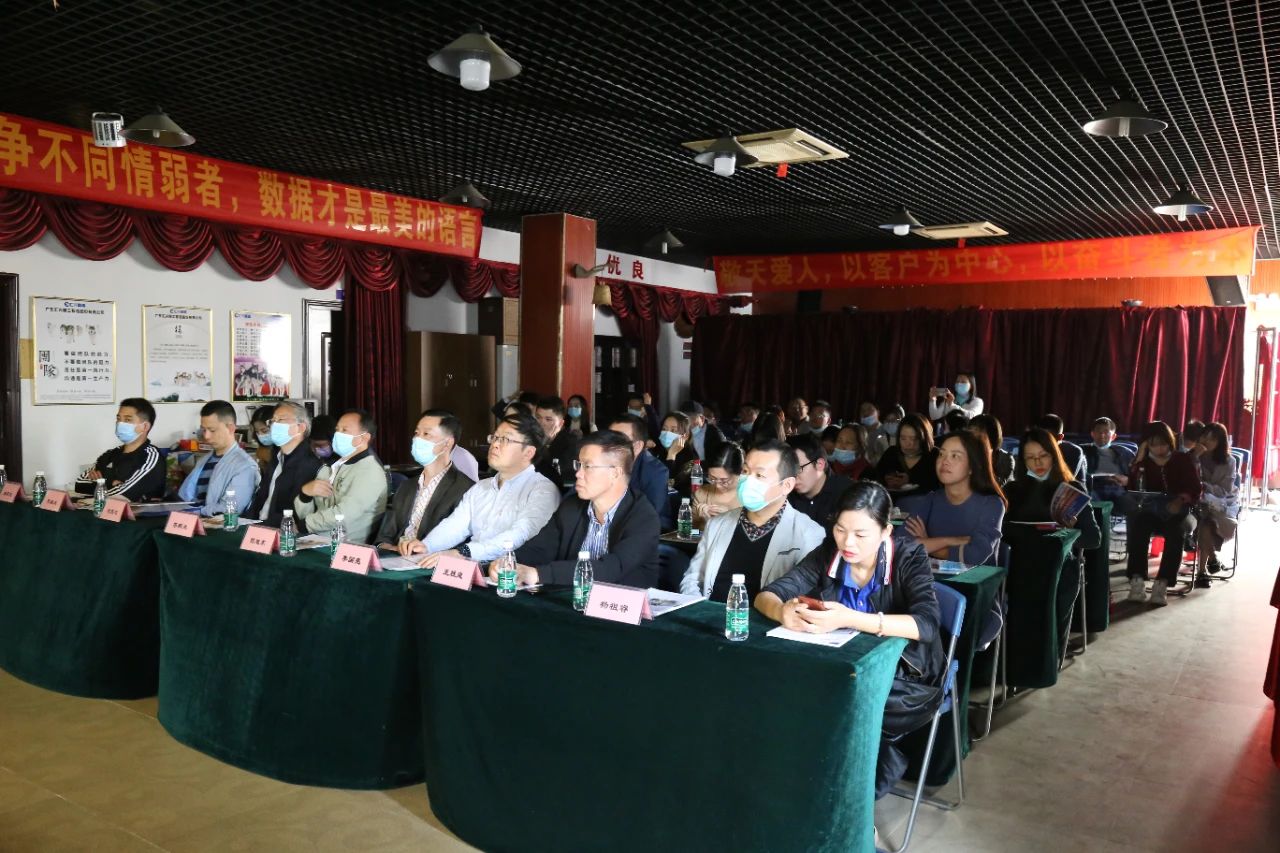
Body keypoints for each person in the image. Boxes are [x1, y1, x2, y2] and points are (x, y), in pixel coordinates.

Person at [755, 482, 944, 799]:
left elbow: (926, 624)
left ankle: (852, 794)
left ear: (885, 532)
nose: (847, 542)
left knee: (831, 702)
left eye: (860, 534)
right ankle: (800, 784)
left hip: (907, 677)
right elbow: (769, 595)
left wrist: (849, 619)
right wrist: (781, 611)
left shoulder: (909, 556)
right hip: (842, 667)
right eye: (840, 530)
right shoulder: (830, 552)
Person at [510, 430, 659, 588]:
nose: (578, 474)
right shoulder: (572, 506)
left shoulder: (643, 517)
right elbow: (541, 548)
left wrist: (539, 574)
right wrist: (510, 562)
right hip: (571, 597)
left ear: (615, 473)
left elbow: (612, 568)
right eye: (579, 465)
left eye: (587, 466)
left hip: (621, 600)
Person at [680, 440, 825, 601]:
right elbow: (693, 578)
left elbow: (803, 598)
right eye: (745, 471)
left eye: (759, 475)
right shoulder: (717, 524)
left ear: (787, 485)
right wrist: (699, 608)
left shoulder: (809, 534)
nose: (748, 480)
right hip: (709, 612)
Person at [415, 412, 560, 566]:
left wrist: (465, 552)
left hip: (510, 571)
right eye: (495, 437)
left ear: (528, 452)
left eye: (505, 440)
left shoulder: (542, 490)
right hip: (472, 565)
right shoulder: (481, 487)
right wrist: (426, 546)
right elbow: (455, 525)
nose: (495, 444)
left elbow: (518, 535)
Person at [1003, 428, 1101, 654]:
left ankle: (1049, 655)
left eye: (1043, 455)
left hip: (1057, 566)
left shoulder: (1071, 489)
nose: (1037, 462)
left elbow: (1093, 538)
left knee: (1056, 584)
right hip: (1020, 564)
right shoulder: (1013, 490)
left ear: (1054, 455)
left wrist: (1071, 530)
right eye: (1030, 457)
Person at [1124, 421, 1202, 607]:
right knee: (1138, 526)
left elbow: (1195, 489)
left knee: (1176, 532)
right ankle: (1137, 580)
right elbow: (1133, 488)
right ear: (1146, 444)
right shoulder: (1143, 462)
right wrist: (1138, 459)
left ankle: (1162, 583)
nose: (1159, 448)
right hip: (1152, 512)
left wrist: (1180, 499)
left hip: (1181, 512)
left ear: (1170, 442)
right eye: (1153, 444)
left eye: (1163, 443)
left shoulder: (1182, 459)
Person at [900, 431, 1006, 566]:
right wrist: (950, 541)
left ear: (973, 466)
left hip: (975, 579)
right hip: (931, 577)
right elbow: (899, 545)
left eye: (955, 456)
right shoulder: (931, 499)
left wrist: (928, 543)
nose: (944, 461)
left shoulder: (991, 504)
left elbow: (974, 556)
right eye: (941, 454)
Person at [375, 409, 472, 553]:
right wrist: (392, 548)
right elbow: (383, 538)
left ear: (447, 443)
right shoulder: (406, 485)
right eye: (416, 433)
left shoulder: (465, 489)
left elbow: (459, 544)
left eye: (426, 434)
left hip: (430, 561)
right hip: (395, 558)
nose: (417, 439)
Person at [293, 408, 388, 544]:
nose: (338, 434)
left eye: (344, 430)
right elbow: (309, 515)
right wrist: (305, 495)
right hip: (317, 538)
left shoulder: (370, 471)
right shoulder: (331, 467)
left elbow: (345, 514)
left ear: (364, 438)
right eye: (337, 430)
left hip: (347, 545)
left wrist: (305, 525)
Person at [176, 400, 260, 517]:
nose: (206, 436)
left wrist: (197, 511)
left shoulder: (244, 466)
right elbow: (186, 497)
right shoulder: (204, 460)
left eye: (212, 430)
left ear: (230, 428)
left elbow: (230, 510)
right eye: (203, 430)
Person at [246, 400, 323, 526]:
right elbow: (261, 497)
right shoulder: (277, 457)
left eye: (281, 420)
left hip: (280, 530)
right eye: (272, 421)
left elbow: (294, 512)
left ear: (300, 427)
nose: (274, 425)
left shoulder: (309, 464)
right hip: (258, 525)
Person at [74, 397, 165, 501]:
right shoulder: (111, 454)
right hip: (100, 508)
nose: (120, 423)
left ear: (145, 427)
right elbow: (79, 484)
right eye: (118, 419)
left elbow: (123, 495)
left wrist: (100, 482)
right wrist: (111, 483)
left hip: (135, 511)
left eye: (128, 420)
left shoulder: (151, 456)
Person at [608, 412, 675, 531]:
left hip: (648, 531)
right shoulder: (602, 463)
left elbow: (648, 515)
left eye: (619, 440)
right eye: (609, 438)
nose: (611, 445)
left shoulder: (655, 471)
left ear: (637, 446)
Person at [1191, 421, 1238, 579]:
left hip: (1221, 504)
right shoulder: (1192, 455)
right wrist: (1195, 457)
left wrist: (1204, 486)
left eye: (1212, 439)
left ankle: (1202, 571)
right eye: (1204, 437)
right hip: (1196, 502)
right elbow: (1187, 479)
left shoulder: (1229, 461)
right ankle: (1210, 563)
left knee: (1207, 524)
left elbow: (1224, 490)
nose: (1206, 441)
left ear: (1220, 442)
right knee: (1204, 523)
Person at [787, 432, 854, 527]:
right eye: (787, 471)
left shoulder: (848, 495)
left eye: (798, 469)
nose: (792, 477)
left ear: (820, 464)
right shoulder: (787, 495)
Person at [870, 413, 940, 495]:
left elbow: (939, 486)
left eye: (914, 439)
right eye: (903, 438)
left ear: (924, 438)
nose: (908, 444)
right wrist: (885, 480)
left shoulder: (934, 455)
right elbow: (875, 480)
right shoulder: (891, 453)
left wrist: (911, 480)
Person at [1082, 416, 1135, 500]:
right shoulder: (1081, 451)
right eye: (1098, 431)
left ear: (1113, 436)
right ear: (1092, 434)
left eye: (1106, 432)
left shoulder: (1125, 453)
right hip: (1092, 489)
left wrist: (1128, 480)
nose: (1102, 435)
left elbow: (1136, 474)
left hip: (1118, 489)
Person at [691, 442, 744, 528]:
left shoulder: (751, 498)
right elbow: (691, 532)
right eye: (712, 479)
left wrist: (731, 518)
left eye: (724, 481)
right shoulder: (701, 494)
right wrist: (704, 523)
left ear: (740, 473)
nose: (717, 486)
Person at [534, 396, 582, 489]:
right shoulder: (531, 439)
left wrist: (543, 446)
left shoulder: (571, 443)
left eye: (548, 419)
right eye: (538, 417)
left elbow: (562, 478)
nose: (541, 423)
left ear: (560, 423)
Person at [1033, 414, 1087, 482]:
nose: (1044, 442)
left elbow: (1065, 481)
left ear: (1060, 437)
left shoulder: (1072, 452)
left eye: (1049, 439)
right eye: (1041, 438)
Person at [968, 414, 1013, 486]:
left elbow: (998, 485)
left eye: (977, 429)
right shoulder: (965, 453)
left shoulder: (1005, 458)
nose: (972, 434)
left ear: (991, 434)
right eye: (970, 429)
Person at [657, 410, 699, 481]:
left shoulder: (691, 461)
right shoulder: (659, 451)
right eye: (664, 429)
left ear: (685, 436)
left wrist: (671, 455)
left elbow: (667, 482)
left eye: (673, 430)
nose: (667, 433)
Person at [250, 404, 276, 475]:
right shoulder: (262, 451)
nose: (260, 435)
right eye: (257, 432)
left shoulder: (289, 450)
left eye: (264, 431)